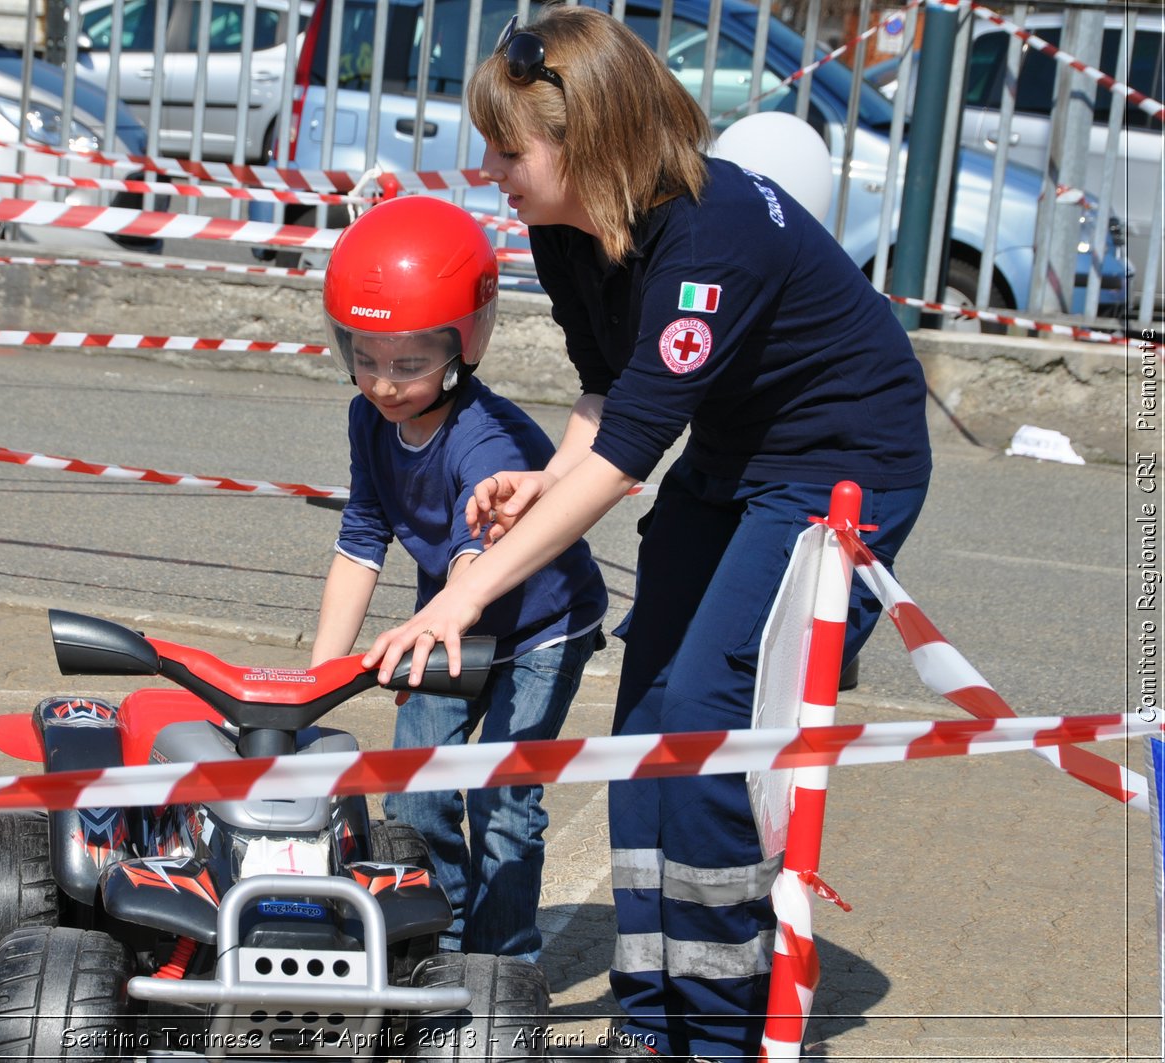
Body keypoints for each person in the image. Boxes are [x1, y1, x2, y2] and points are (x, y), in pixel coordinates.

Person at [361, 8, 932, 1062]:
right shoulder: (566, 228)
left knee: (711, 723)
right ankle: (650, 1017)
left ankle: (717, 1035)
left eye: (505, 148)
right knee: (644, 726)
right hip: (730, 462)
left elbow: (625, 461)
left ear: (581, 144)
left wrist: (461, 592)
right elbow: (603, 399)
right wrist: (539, 484)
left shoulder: (709, 238)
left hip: (839, 471)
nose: (484, 168)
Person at [311, 194, 608, 965]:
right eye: (364, 355)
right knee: (415, 786)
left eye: (408, 363)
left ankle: (501, 965)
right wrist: (315, 682)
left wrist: (442, 613)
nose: (383, 383)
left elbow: (479, 550)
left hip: (541, 625)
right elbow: (361, 540)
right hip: (446, 619)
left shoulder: (487, 435)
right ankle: (433, 943)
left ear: (464, 343)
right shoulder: (367, 419)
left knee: (503, 799)